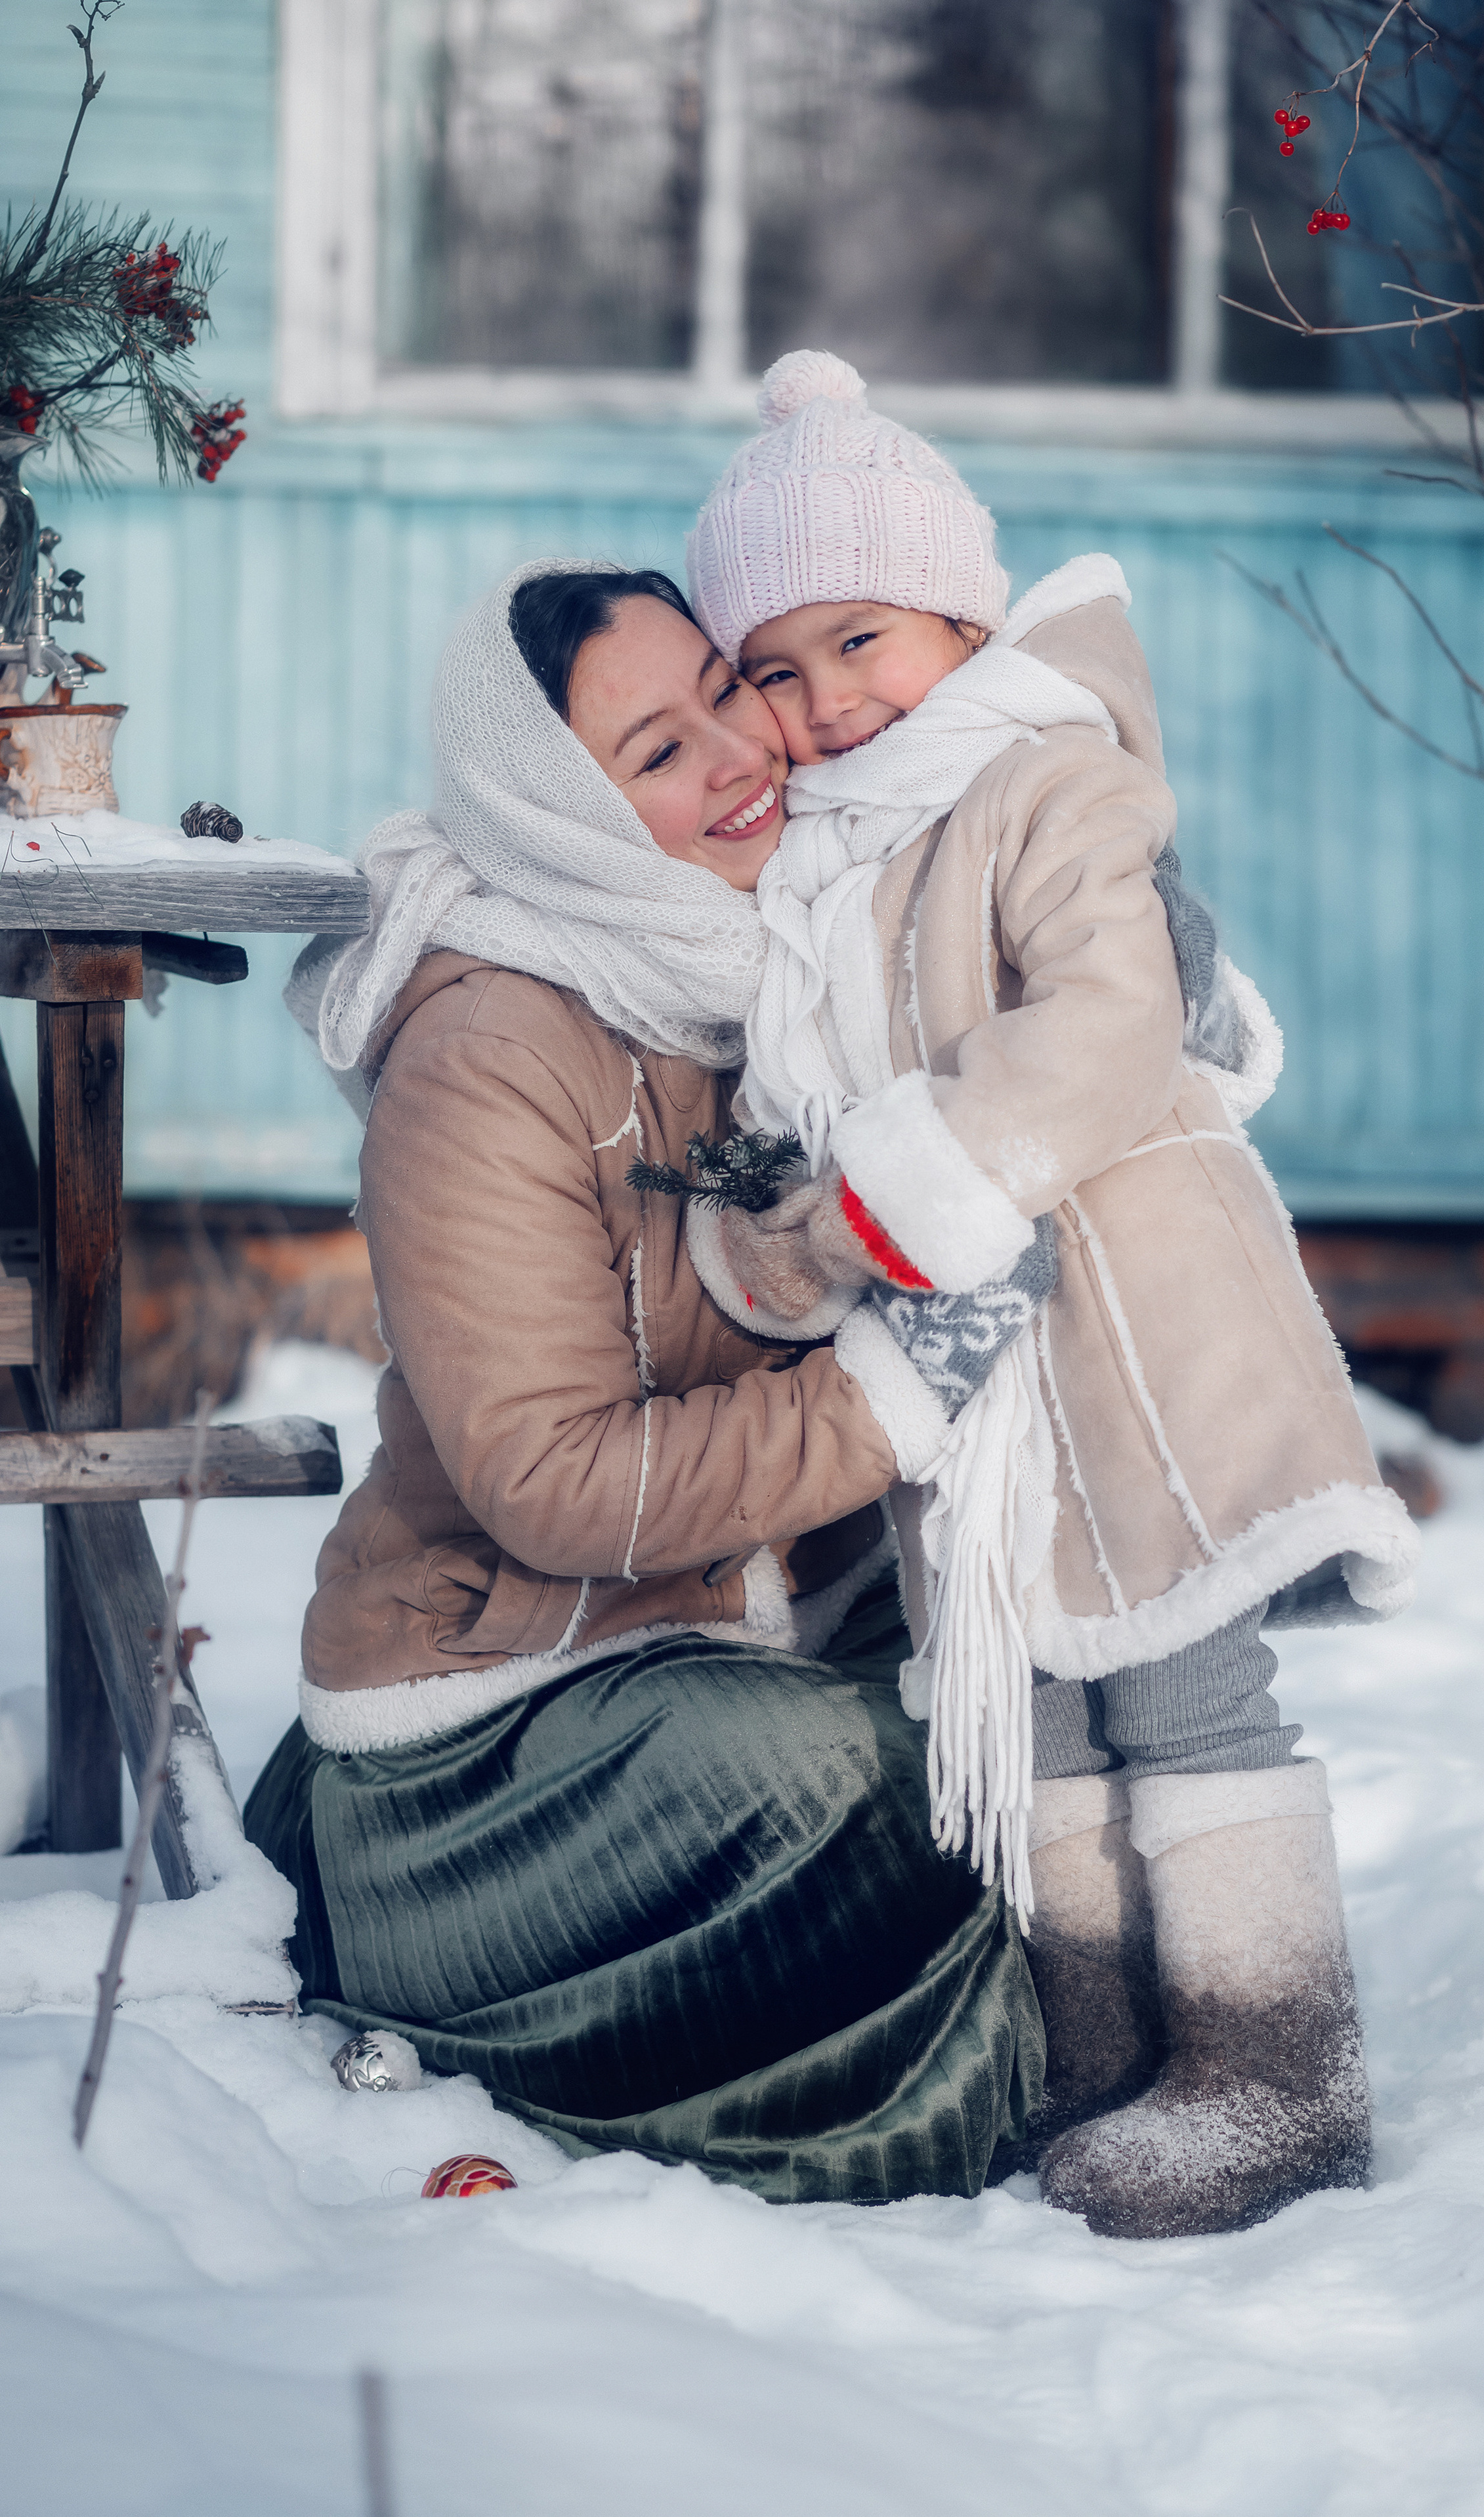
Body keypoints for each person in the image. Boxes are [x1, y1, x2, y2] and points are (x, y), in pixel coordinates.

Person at [679, 350, 1422, 2239]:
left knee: (1179, 1675)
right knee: (1029, 1708)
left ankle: (1277, 2069)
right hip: (977, 1385)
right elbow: (796, 1109)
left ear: (959, 615)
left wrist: (894, 1186)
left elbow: (1108, 1019)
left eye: (863, 640)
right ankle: (1100, 2057)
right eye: (776, 667)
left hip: (1131, 1322)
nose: (827, 698)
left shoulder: (1044, 777)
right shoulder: (825, 863)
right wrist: (784, 1220)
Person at [247, 557, 1045, 2202]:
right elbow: (548, 1479)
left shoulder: (782, 965)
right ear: (557, 814)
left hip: (741, 1637)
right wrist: (891, 1394)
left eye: (725, 693)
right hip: (489, 1743)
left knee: (1029, 1705)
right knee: (874, 1781)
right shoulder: (491, 1051)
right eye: (658, 752)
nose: (742, 753)